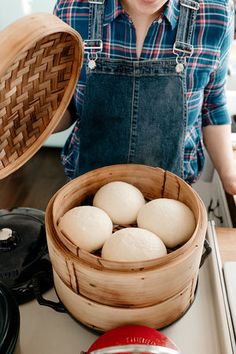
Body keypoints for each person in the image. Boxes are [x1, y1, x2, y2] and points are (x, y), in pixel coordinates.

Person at [53, 0, 236, 195]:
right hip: (87, 185)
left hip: (172, 191)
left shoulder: (216, 14)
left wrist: (229, 175)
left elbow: (212, 105)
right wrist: (33, 124)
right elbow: (67, 105)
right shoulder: (71, 9)